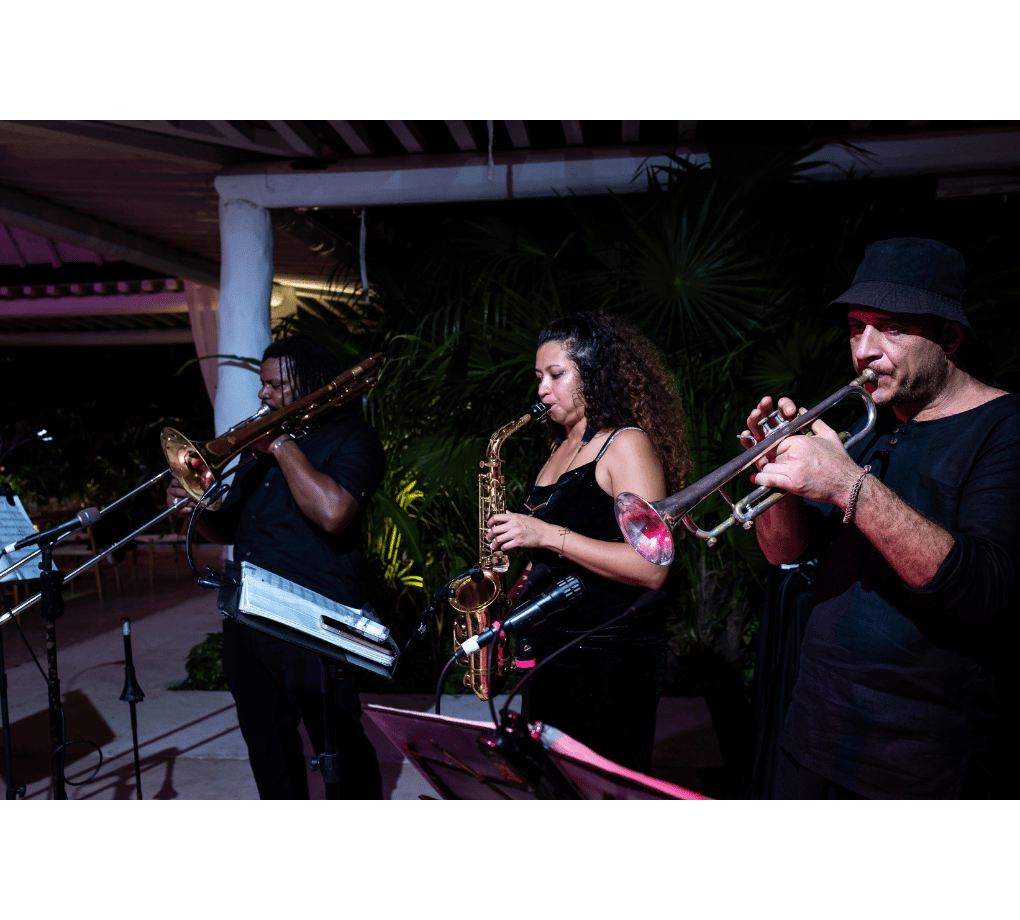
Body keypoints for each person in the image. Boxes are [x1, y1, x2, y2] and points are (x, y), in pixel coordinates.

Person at [744, 237, 1020, 799]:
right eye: (855, 326)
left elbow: (983, 588)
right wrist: (777, 480)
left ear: (949, 336)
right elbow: (788, 554)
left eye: (890, 326)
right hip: (814, 737)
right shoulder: (871, 428)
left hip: (920, 765)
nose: (864, 348)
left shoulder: (1004, 428)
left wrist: (847, 483)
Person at [167, 335, 386, 799]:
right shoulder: (258, 451)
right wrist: (197, 512)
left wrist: (282, 445)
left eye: (274, 384)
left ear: (310, 383)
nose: (262, 395)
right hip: (248, 617)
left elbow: (333, 512)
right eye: (262, 385)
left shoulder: (354, 437)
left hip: (313, 621)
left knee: (340, 744)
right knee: (268, 747)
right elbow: (231, 529)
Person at [485, 312, 691, 773]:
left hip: (609, 657)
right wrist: (503, 609)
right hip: (550, 650)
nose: (542, 389)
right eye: (538, 377)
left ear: (594, 375)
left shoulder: (626, 444)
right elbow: (549, 559)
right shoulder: (556, 452)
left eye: (557, 375)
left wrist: (546, 533)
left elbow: (652, 568)